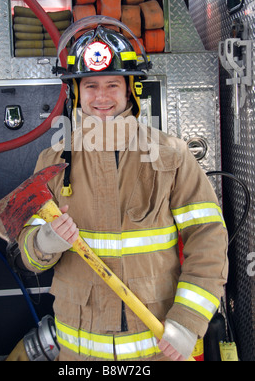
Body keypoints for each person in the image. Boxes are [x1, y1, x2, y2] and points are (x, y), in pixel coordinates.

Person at [17, 19, 228, 362]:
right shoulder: (52, 162)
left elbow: (208, 239)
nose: (101, 97)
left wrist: (188, 322)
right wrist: (42, 243)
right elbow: (25, 253)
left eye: (113, 84)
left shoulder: (171, 156)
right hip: (80, 355)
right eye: (90, 85)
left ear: (131, 88)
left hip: (158, 348)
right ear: (76, 92)